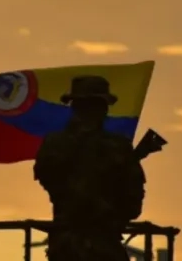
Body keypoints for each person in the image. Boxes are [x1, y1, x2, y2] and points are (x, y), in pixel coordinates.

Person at [33, 75, 146, 261]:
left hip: (70, 245)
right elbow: (132, 203)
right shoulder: (117, 147)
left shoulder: (55, 144)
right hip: (99, 244)